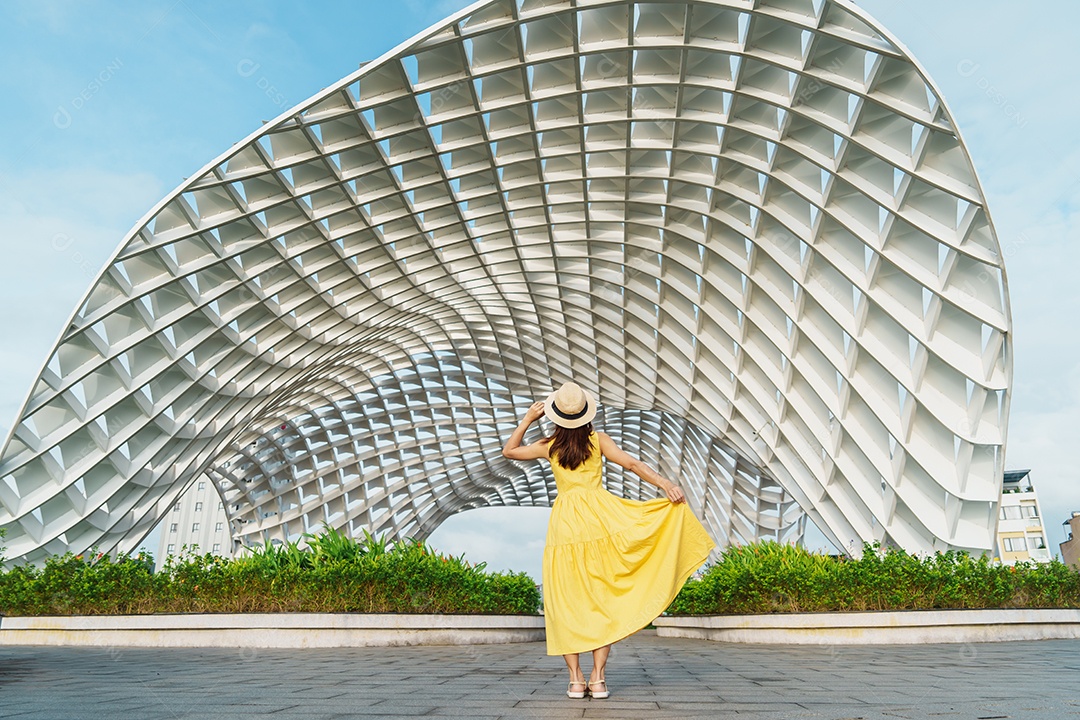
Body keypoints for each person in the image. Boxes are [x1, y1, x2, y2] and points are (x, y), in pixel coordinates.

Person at [502, 381, 717, 700]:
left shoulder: (549, 445)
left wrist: (527, 420)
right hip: (602, 520)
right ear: (585, 414)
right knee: (603, 598)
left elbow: (509, 451)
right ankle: (598, 678)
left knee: (566, 602)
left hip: (566, 527)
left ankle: (576, 680)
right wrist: (665, 483)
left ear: (555, 416)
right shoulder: (598, 439)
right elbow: (632, 464)